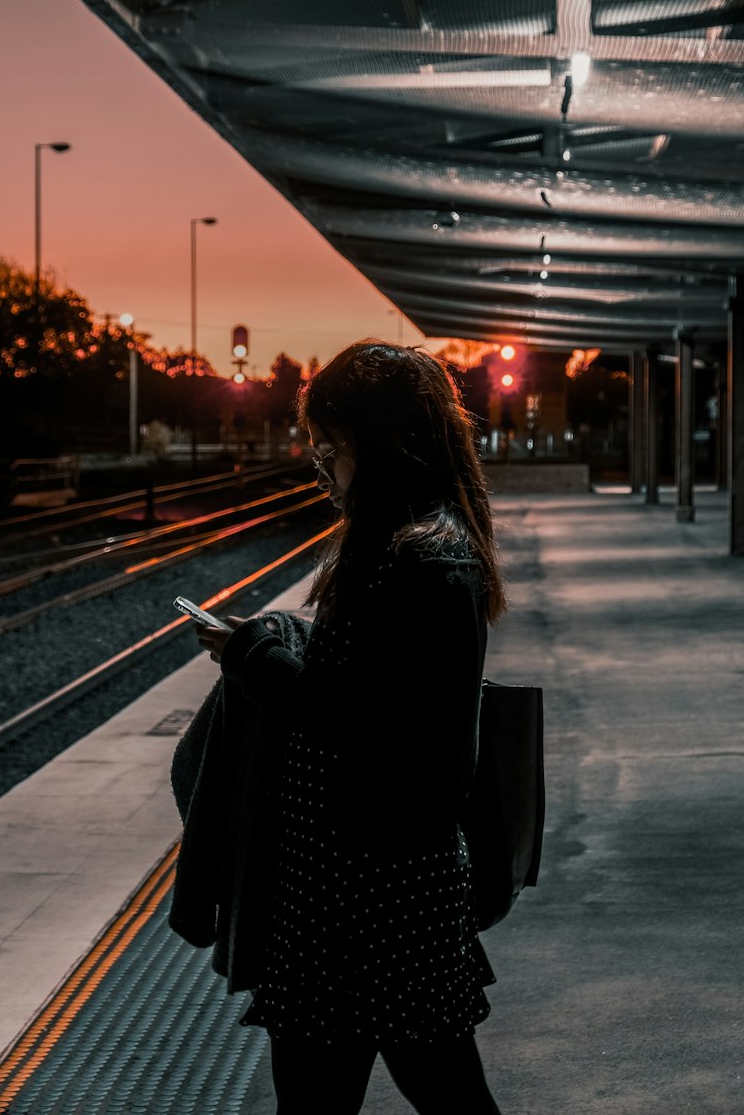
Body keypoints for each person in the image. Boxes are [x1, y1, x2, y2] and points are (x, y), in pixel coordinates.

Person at [196, 340, 507, 1114]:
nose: (324, 468)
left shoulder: (418, 563)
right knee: (433, 1087)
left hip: (369, 888)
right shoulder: (418, 548)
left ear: (384, 443)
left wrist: (254, 655)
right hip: (371, 881)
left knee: (375, 1093)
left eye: (331, 449)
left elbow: (352, 716)